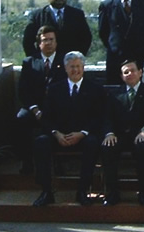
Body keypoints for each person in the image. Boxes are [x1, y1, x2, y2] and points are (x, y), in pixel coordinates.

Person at [32, 51, 105, 207]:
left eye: (78, 66)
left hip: (83, 136)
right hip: (59, 136)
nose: (75, 70)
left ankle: (83, 191)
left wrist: (82, 133)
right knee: (41, 142)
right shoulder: (54, 89)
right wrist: (56, 133)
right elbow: (46, 117)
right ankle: (46, 192)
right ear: (65, 68)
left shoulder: (94, 89)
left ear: (83, 68)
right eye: (72, 67)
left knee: (93, 143)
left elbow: (98, 117)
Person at [101, 60, 144, 206]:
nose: (130, 74)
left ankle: (143, 193)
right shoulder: (114, 94)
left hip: (141, 135)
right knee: (107, 147)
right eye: (126, 72)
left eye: (133, 70)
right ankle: (112, 193)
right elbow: (106, 117)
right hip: (120, 135)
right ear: (122, 76)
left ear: (140, 72)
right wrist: (109, 133)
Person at [16, 25, 67, 174]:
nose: (49, 43)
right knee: (21, 118)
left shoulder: (65, 61)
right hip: (34, 107)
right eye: (45, 40)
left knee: (65, 117)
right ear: (39, 43)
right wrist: (35, 108)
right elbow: (23, 91)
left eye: (52, 40)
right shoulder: (29, 62)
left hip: (57, 107)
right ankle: (27, 163)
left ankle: (60, 163)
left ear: (56, 42)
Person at [22, 0, 92, 57]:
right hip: (46, 64)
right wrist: (36, 60)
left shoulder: (77, 15)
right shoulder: (37, 16)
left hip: (70, 63)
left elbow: (86, 38)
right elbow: (27, 41)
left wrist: (77, 57)